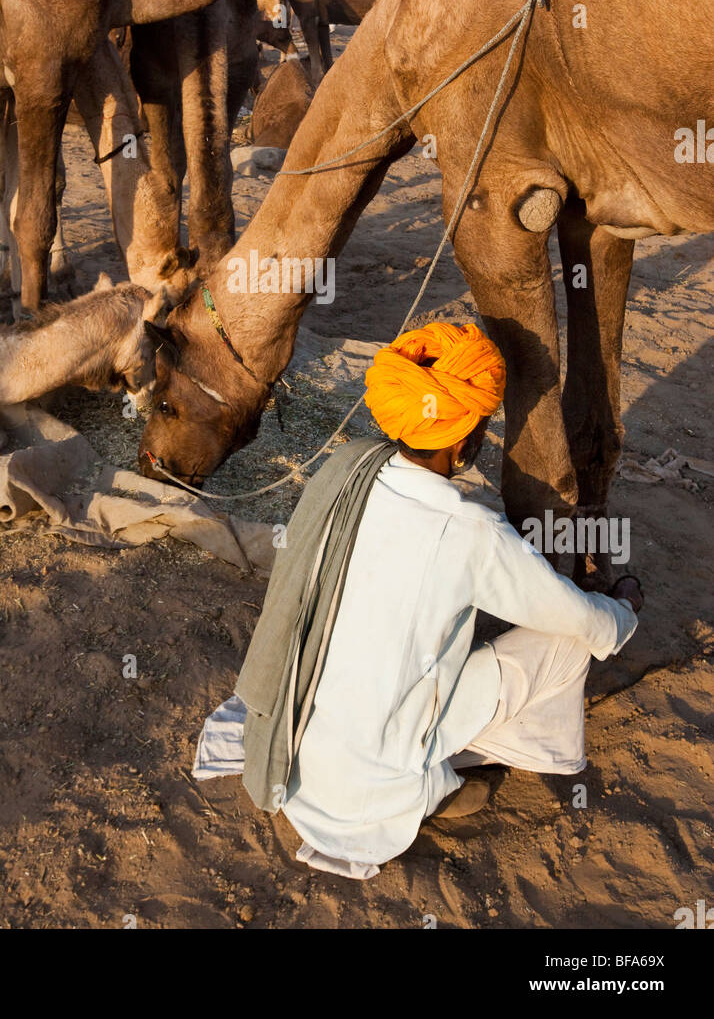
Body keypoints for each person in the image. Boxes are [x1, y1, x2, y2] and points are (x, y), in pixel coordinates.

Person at [193, 321, 642, 879]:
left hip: (296, 747)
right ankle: (432, 779)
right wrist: (621, 612)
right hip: (376, 792)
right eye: (481, 426)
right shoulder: (471, 530)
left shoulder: (345, 467)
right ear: (464, 442)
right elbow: (575, 616)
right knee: (570, 643)